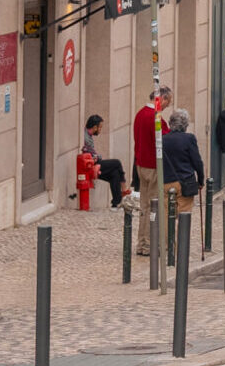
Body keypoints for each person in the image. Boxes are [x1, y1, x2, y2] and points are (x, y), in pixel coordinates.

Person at [133, 86, 169, 256]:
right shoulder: (156, 118)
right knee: (154, 205)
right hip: (154, 166)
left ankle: (141, 242)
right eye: (168, 102)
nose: (167, 106)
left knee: (145, 205)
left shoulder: (140, 114)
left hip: (140, 164)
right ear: (162, 99)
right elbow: (165, 142)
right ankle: (148, 244)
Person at [161, 109, 205, 213]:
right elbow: (197, 162)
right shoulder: (189, 138)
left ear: (170, 123)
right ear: (185, 125)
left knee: (167, 215)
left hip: (166, 182)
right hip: (185, 182)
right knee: (184, 214)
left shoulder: (162, 139)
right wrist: (200, 180)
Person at [82, 115, 126, 208]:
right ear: (95, 127)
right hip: (90, 166)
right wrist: (97, 157)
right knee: (117, 163)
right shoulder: (85, 137)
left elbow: (92, 154)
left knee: (114, 174)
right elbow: (91, 155)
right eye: (100, 127)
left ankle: (116, 203)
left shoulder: (88, 135)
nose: (100, 130)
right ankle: (124, 189)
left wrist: (97, 157)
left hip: (93, 163)